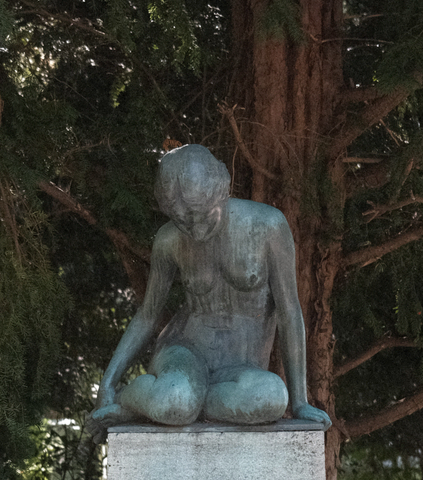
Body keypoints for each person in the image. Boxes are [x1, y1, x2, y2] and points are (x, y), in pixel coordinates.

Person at [86, 144, 332, 440]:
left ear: (221, 192)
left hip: (239, 369)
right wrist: (108, 382)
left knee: (270, 398)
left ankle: (177, 404)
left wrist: (300, 402)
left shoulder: (267, 226)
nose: (194, 228)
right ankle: (138, 399)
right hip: (184, 354)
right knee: (177, 398)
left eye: (202, 215)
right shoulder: (169, 240)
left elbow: (289, 311)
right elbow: (149, 313)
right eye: (182, 219)